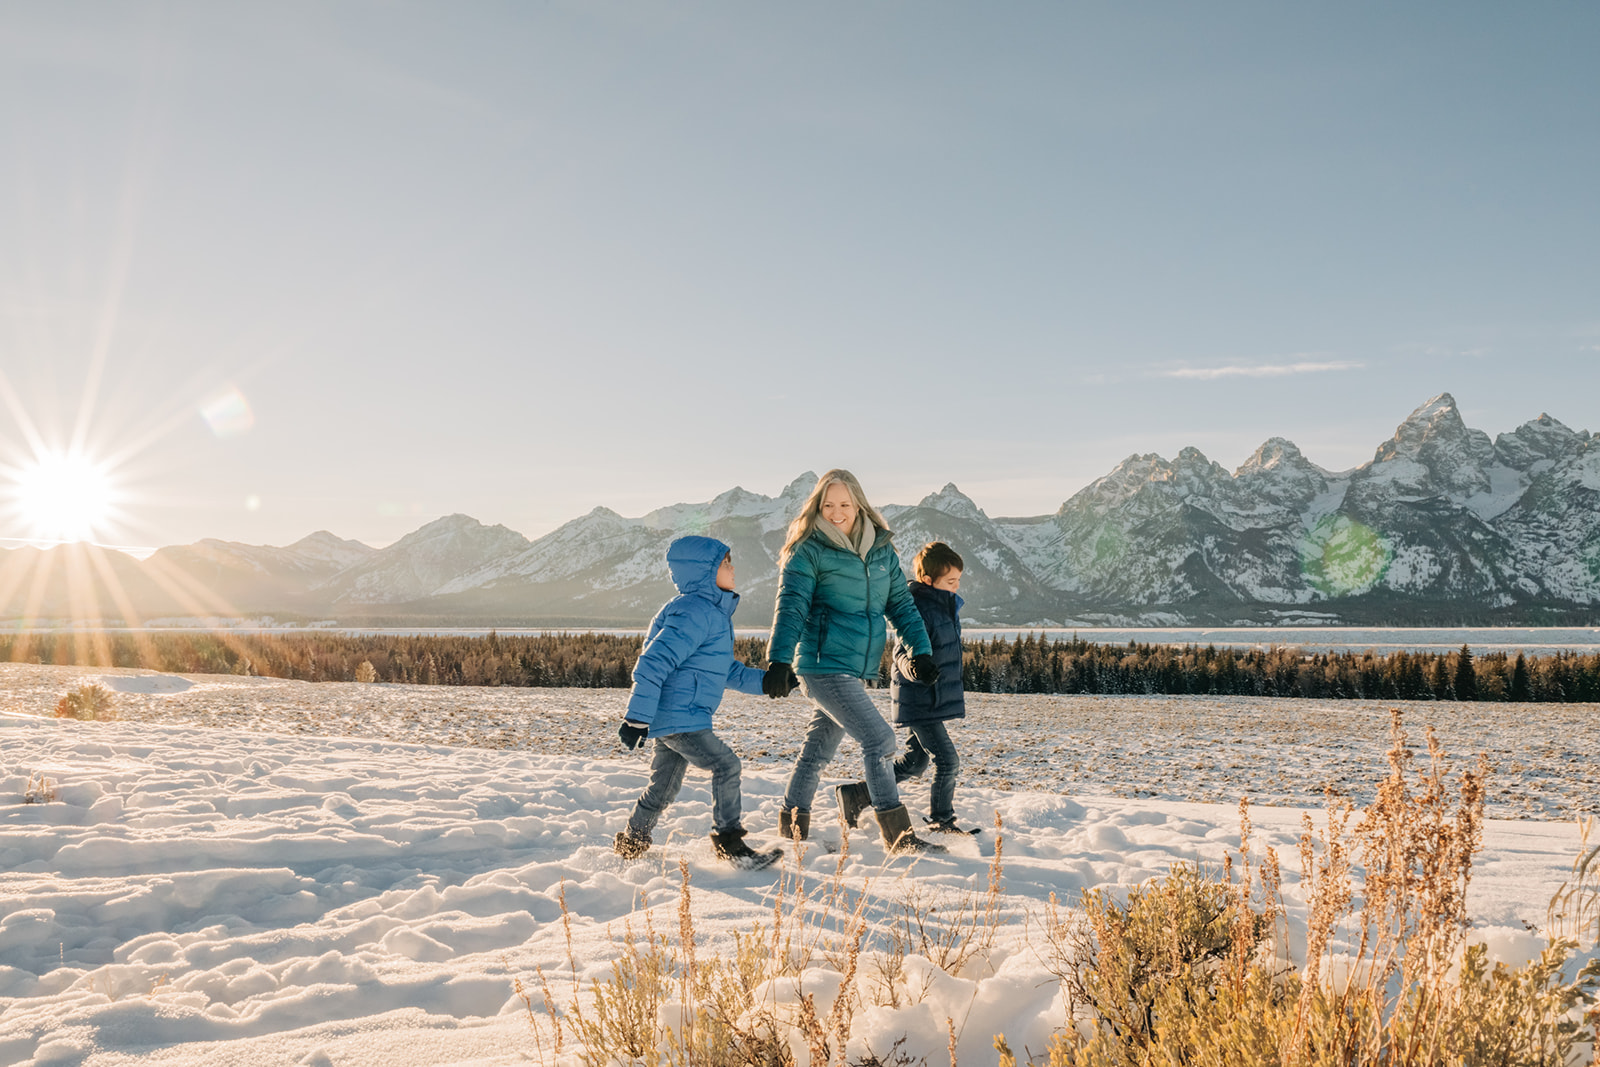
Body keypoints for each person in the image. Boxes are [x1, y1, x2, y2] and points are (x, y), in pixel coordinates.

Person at [764, 469, 945, 855]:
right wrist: (779, 659)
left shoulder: (881, 550)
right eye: (827, 505)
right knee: (879, 740)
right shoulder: (808, 549)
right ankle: (898, 835)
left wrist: (921, 651)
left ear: (859, 504)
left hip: (851, 667)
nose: (836, 512)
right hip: (819, 664)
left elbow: (902, 607)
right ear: (817, 507)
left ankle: (792, 826)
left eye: (844, 504)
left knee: (817, 750)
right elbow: (791, 607)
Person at [613, 535, 784, 871]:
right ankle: (729, 843)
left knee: (663, 785)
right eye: (726, 563)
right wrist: (636, 718)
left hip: (678, 717)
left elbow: (727, 671)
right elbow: (652, 662)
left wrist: (766, 682)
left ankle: (632, 841)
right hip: (682, 717)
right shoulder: (694, 611)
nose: (733, 569)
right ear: (705, 571)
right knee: (726, 765)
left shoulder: (712, 613)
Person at [887, 541, 976, 834]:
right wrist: (914, 670)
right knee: (948, 761)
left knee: (914, 763)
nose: (956, 586)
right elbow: (901, 652)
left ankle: (859, 794)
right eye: (950, 581)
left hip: (929, 697)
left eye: (958, 580)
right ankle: (942, 820)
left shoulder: (943, 607)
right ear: (928, 580)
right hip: (918, 697)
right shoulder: (917, 609)